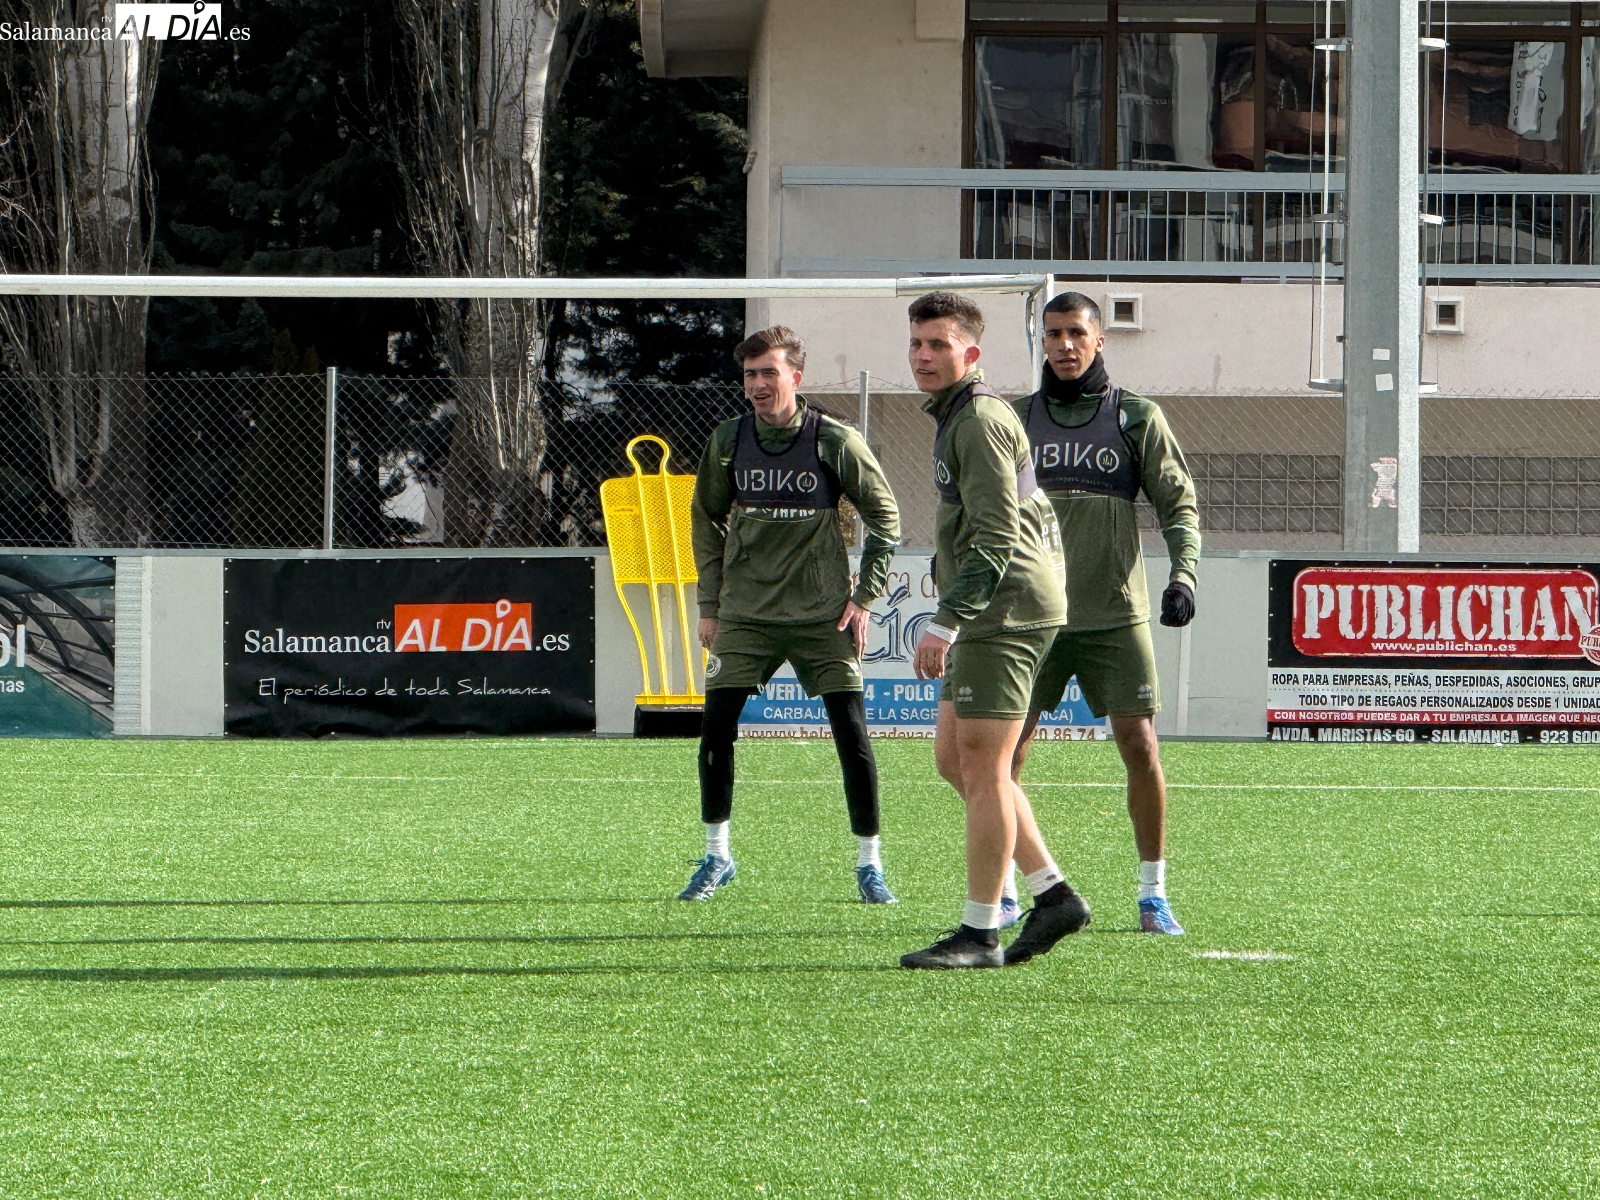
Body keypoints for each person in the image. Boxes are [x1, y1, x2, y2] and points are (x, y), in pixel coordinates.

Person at [898, 292, 1091, 970]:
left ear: (970, 354)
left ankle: (981, 932)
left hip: (1004, 609)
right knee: (956, 760)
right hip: (994, 605)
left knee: (984, 766)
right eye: (918, 344)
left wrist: (945, 621)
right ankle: (1053, 894)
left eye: (939, 345)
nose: (924, 356)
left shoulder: (977, 420)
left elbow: (998, 536)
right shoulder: (958, 416)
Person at [680, 326, 902, 904]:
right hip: (746, 614)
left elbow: (886, 518)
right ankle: (716, 855)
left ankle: (869, 864)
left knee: (851, 734)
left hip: (822, 616)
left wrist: (864, 598)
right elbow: (703, 518)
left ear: (795, 377)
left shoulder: (834, 439)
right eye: (750, 374)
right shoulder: (728, 439)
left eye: (768, 372)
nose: (756, 384)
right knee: (714, 731)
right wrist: (712, 604)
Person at [1008, 291, 1200, 936]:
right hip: (1030, 617)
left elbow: (1179, 505)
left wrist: (1184, 574)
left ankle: (1153, 894)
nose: (1064, 345)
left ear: (1100, 341)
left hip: (1115, 615)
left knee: (1140, 746)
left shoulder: (1136, 417)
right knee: (1003, 757)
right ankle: (1010, 888)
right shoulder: (1013, 419)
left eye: (1076, 334)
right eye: (1053, 333)